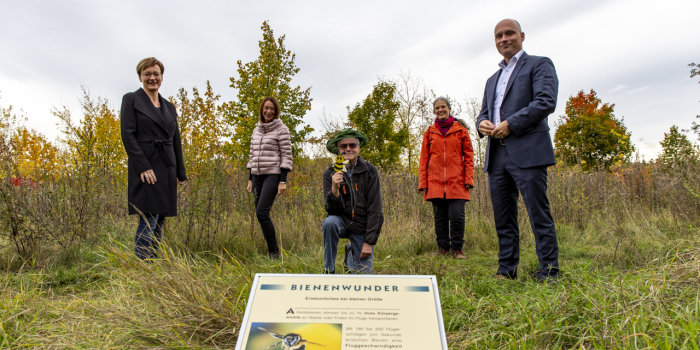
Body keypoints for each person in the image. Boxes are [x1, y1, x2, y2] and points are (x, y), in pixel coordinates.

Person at [476, 19, 560, 281]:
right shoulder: (492, 79)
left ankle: (548, 270)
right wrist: (482, 124)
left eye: (509, 33)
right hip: (497, 155)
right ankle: (507, 269)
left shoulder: (539, 64)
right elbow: (483, 114)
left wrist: (510, 124)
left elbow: (546, 101)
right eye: (499, 35)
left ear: (522, 35)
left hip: (528, 152)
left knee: (538, 213)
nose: (504, 39)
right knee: (503, 216)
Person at [120, 57, 187, 260]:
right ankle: (142, 263)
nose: (152, 78)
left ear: (162, 77)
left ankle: (153, 262)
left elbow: (176, 140)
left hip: (166, 166)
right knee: (148, 216)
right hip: (146, 165)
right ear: (140, 76)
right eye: (147, 74)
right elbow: (127, 135)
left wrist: (180, 173)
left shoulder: (169, 107)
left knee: (160, 219)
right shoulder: (131, 99)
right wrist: (143, 167)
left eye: (156, 74)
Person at [418, 97, 474, 259]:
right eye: (437, 108)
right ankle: (443, 248)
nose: (440, 110)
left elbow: (469, 157)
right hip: (435, 182)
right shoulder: (429, 133)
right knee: (440, 218)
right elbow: (424, 160)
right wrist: (423, 183)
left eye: (443, 107)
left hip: (457, 182)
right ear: (434, 111)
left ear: (449, 109)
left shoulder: (461, 130)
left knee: (457, 216)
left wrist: (469, 179)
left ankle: (457, 249)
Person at [322, 128, 383, 274]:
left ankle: (350, 254)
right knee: (329, 223)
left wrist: (369, 242)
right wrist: (334, 190)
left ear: (359, 148)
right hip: (341, 222)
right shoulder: (330, 172)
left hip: (361, 226)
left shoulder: (370, 171)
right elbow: (331, 211)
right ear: (338, 150)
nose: (348, 149)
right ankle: (328, 270)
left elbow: (376, 208)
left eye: (352, 145)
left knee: (363, 274)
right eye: (343, 146)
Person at [246, 97, 293, 259]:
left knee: (262, 212)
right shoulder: (256, 130)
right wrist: (250, 178)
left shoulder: (282, 129)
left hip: (273, 175)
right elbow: (252, 155)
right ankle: (272, 250)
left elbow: (286, 155)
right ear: (261, 110)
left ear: (276, 111)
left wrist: (283, 180)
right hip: (258, 175)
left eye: (272, 108)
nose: (268, 111)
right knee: (259, 211)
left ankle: (274, 252)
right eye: (266, 108)